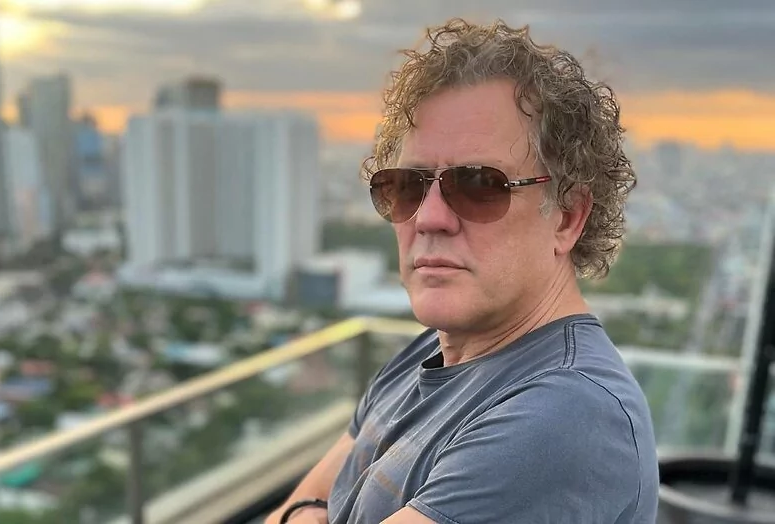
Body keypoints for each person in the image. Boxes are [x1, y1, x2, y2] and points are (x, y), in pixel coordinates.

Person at [265, 17, 659, 524]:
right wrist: (307, 510)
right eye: (406, 186)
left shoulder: (565, 414)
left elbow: (305, 505)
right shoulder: (432, 349)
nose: (428, 218)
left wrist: (313, 512)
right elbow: (294, 507)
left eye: (479, 186)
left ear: (567, 217)